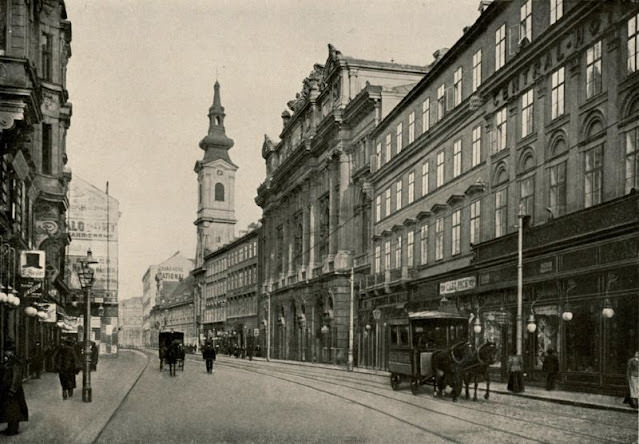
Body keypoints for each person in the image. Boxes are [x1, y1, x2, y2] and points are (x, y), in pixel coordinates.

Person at [0, 344, 29, 435]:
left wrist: (12, 389)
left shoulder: (15, 362)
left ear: (11, 352)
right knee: (9, 409)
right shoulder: (9, 361)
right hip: (8, 388)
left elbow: (16, 377)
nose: (6, 353)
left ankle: (13, 429)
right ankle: (10, 427)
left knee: (14, 409)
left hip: (14, 390)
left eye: (7, 351)